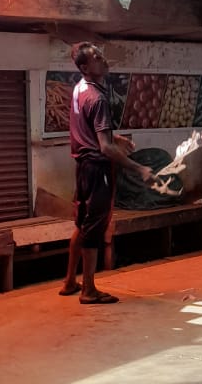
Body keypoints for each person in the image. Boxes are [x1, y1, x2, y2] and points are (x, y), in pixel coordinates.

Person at [60, 42, 153, 304]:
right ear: (85, 67)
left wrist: (116, 137)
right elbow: (105, 148)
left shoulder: (80, 89)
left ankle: (69, 282)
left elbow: (90, 129)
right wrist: (139, 168)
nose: (103, 60)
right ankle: (88, 290)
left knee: (81, 223)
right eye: (96, 58)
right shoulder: (98, 98)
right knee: (94, 229)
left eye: (101, 55)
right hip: (98, 169)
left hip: (82, 169)